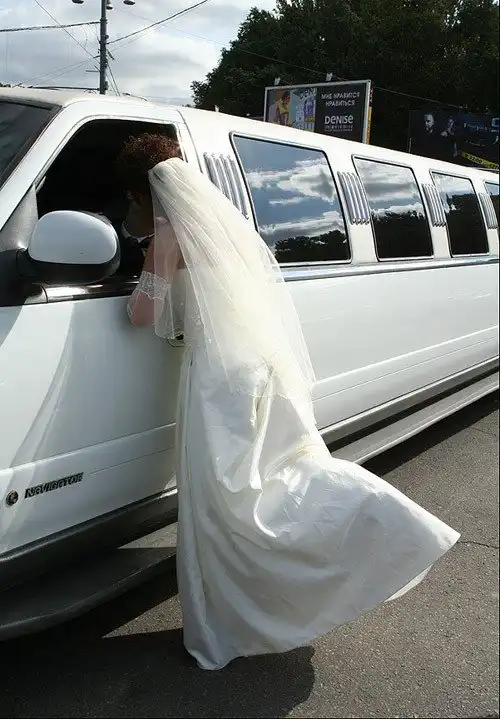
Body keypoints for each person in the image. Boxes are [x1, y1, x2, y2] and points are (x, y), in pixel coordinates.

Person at [127, 157, 460, 671]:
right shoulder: (225, 233)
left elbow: (143, 314)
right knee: (269, 478)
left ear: (146, 197)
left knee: (223, 501)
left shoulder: (167, 236)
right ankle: (359, 526)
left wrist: (142, 282)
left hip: (216, 378)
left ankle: (374, 517)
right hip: (257, 367)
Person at [114, 133, 182, 276]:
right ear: (133, 196)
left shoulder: (181, 246)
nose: (172, 206)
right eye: (161, 198)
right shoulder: (102, 233)